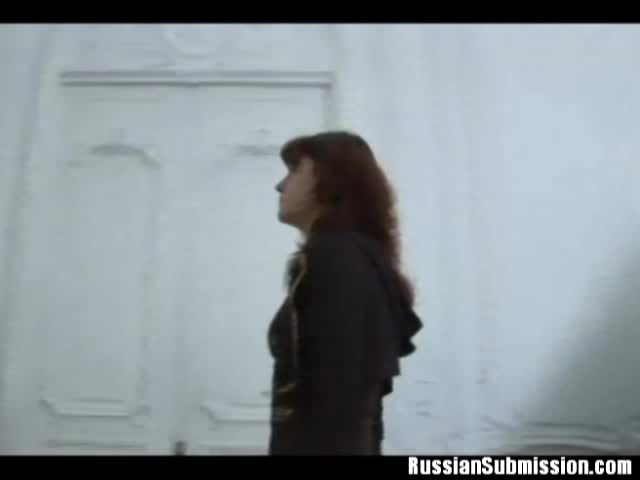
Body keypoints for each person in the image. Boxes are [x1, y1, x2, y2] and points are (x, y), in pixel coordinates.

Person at [267, 130, 423, 455]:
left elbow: (337, 396)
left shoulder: (334, 258)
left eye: (294, 171)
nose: (280, 186)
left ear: (330, 180)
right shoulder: (355, 256)